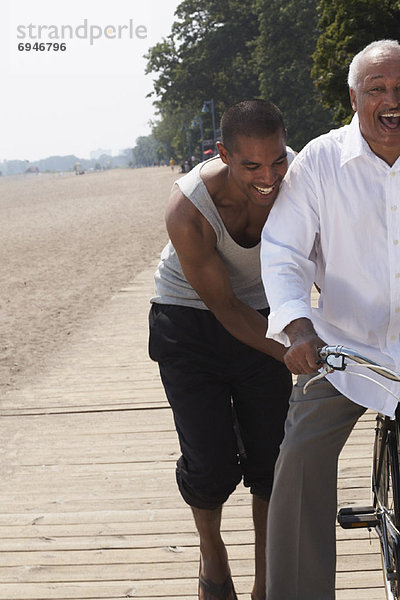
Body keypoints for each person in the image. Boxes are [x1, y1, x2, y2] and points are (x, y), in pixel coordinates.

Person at [260, 39, 400, 600]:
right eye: (378, 90)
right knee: (298, 463)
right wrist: (297, 327)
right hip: (343, 352)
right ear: (353, 96)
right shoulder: (318, 162)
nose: (392, 100)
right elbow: (284, 252)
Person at [149, 99, 295, 600]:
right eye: (252, 165)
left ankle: (264, 583)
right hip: (188, 320)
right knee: (210, 463)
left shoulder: (300, 179)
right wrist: (293, 353)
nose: (268, 177)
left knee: (271, 459)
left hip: (262, 314)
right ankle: (213, 557)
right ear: (223, 155)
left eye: (277, 160)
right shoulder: (189, 208)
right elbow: (227, 308)